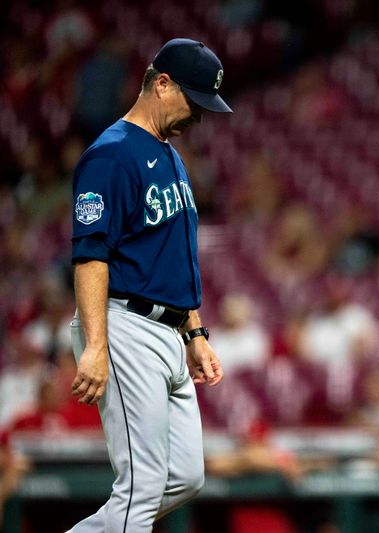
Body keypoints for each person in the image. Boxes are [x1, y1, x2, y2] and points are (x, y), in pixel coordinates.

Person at [67, 38, 231, 532]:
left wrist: (195, 333)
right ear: (162, 84)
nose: (199, 117)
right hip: (125, 326)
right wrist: (97, 346)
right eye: (194, 102)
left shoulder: (168, 154)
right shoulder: (111, 156)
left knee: (184, 476)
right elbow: (91, 255)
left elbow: (172, 257)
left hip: (167, 330)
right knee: (139, 488)